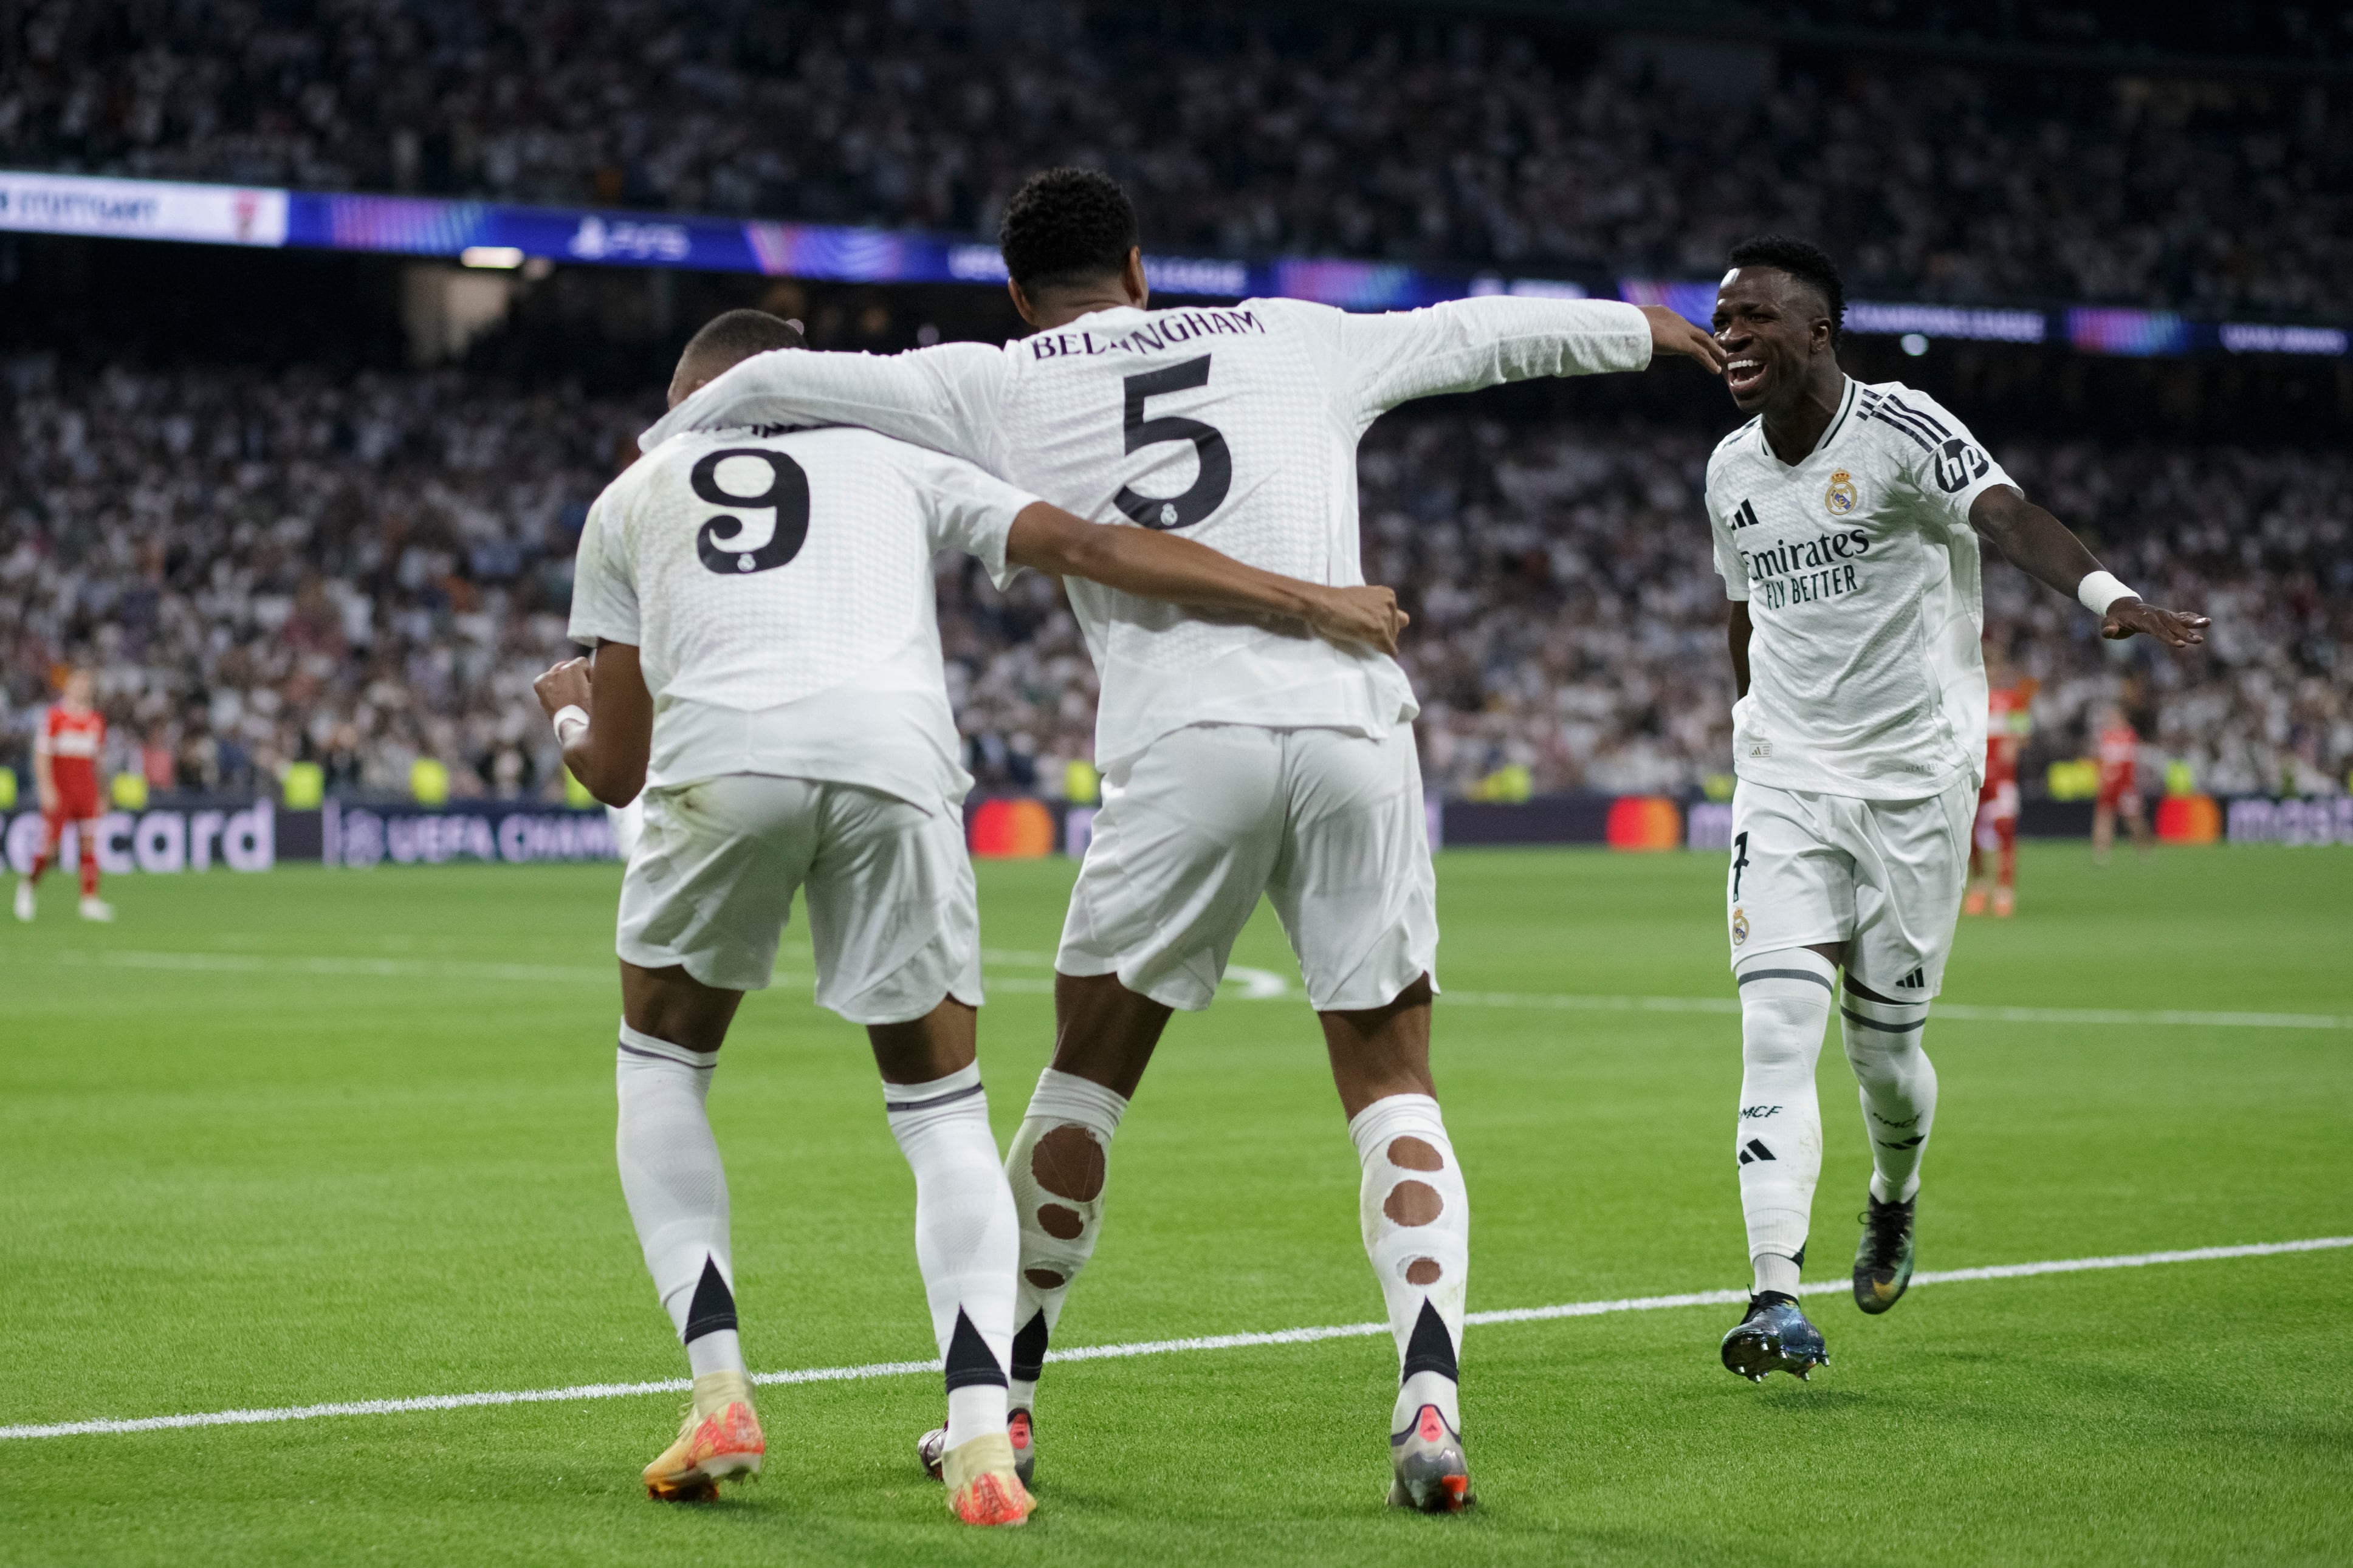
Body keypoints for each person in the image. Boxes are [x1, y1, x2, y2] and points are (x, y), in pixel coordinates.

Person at [639, 166, 1726, 1511]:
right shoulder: (1296, 330)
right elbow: (1477, 334)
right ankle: (1430, 1398)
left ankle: (1007, 1404)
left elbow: (768, 389)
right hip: (1348, 729)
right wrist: (1646, 329)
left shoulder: (998, 375)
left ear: (1022, 295)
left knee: (1088, 1078)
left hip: (1180, 747)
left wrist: (659, 461)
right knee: (1391, 1077)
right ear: (1143, 266)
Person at [537, 307, 1407, 1525]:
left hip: (718, 763)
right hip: (893, 765)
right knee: (941, 1114)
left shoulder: (632, 498)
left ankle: (719, 1384)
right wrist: (1304, 598)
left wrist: (569, 714)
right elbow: (1096, 548)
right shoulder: (900, 460)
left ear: (693, 396)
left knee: (663, 1069)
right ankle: (982, 1436)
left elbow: (617, 768)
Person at [1703, 236, 2208, 1381]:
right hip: (1785, 781)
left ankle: (1893, 1194)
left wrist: (2106, 594)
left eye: (1754, 318)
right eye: (1720, 317)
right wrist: (1748, 729)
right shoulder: (1727, 468)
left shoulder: (1899, 430)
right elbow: (1739, 612)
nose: (1728, 334)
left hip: (1915, 785)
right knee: (1775, 1028)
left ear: (1817, 333)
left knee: (1885, 1053)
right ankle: (1772, 1290)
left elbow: (2005, 516)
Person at [15, 666, 113, 923]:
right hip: (61, 792)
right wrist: (46, 787)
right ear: (68, 687)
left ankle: (89, 900)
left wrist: (103, 793)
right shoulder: (55, 717)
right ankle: (27, 888)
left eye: (87, 684)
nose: (83, 689)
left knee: (90, 843)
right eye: (78, 684)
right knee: (50, 848)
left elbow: (99, 762)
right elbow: (42, 756)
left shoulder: (96, 720)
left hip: (87, 791)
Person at [1963, 647, 2035, 917]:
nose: (1990, 673)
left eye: (1993, 668)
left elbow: (2024, 736)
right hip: (1975, 776)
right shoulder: (1969, 701)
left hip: (2003, 777)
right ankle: (1980, 883)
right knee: (1968, 833)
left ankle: (2005, 890)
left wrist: (2014, 742)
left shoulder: (2014, 699)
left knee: (2005, 828)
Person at [2091, 708, 2153, 864]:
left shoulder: (2129, 735)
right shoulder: (2105, 736)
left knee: (2134, 819)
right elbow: (2102, 762)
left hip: (2126, 785)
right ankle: (2101, 852)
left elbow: (2129, 763)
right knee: (2104, 817)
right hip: (2109, 785)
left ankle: (2144, 848)